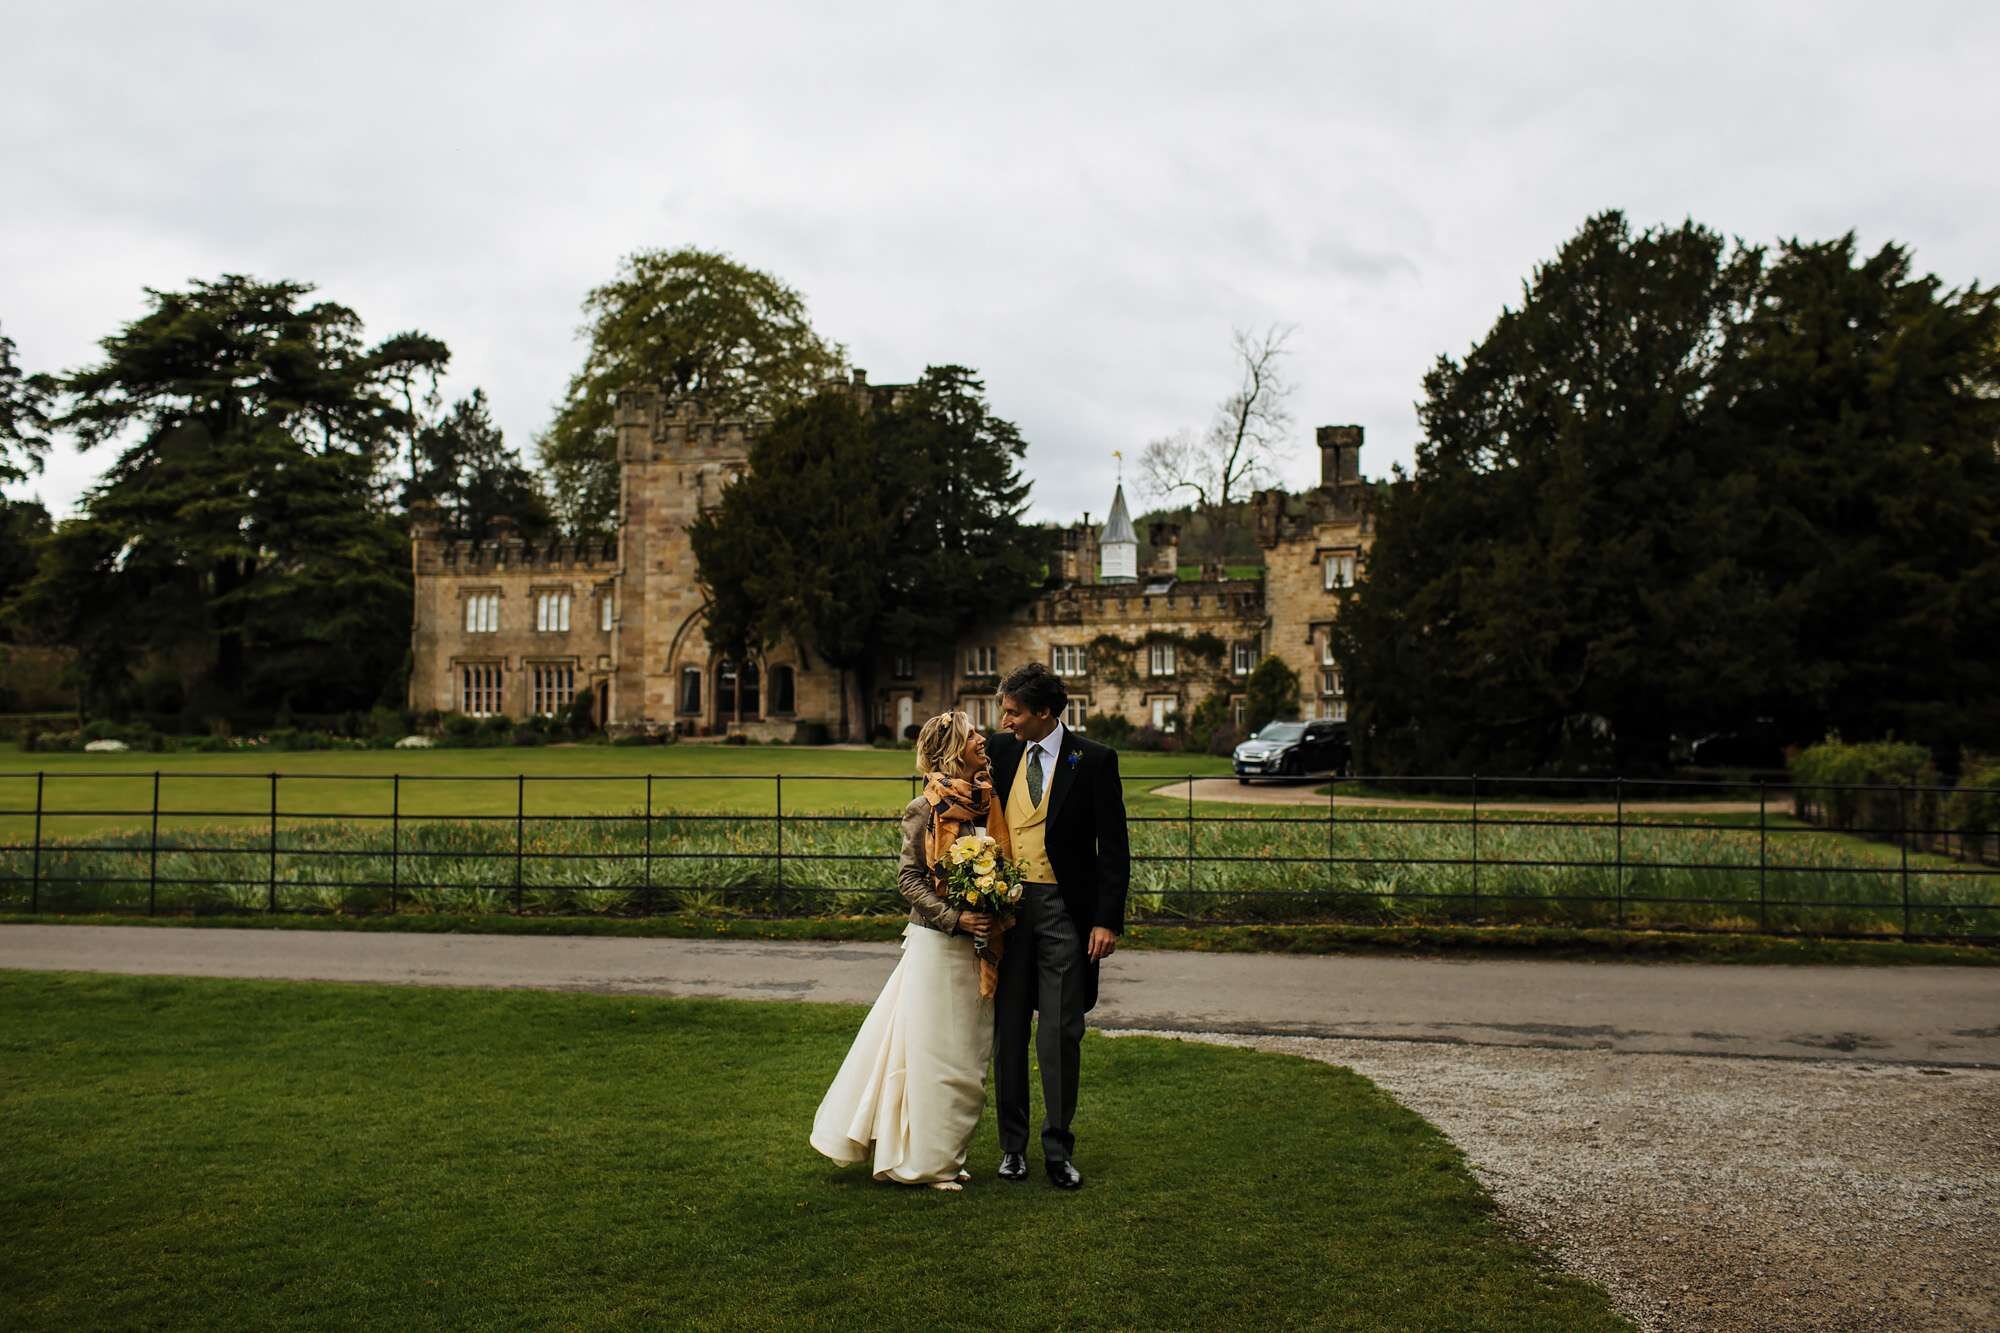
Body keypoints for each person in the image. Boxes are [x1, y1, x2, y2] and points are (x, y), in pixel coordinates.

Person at [808, 710, 1009, 1191]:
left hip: (980, 949)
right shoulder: (924, 808)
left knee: (969, 1059)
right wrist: (956, 916)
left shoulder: (989, 805)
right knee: (933, 1058)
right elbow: (909, 879)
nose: (984, 740)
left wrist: (1000, 902)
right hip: (937, 946)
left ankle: (947, 1154)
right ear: (953, 748)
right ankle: (921, 1164)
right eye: (974, 735)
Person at [986, 661, 1130, 1190]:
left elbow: (1113, 848)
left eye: (1014, 712)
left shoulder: (1092, 760)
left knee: (1060, 1033)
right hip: (1007, 911)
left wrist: (1106, 920)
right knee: (1008, 1032)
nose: (1006, 721)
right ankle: (1011, 1149)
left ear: (1045, 713)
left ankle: (1057, 1149)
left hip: (1065, 915)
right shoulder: (998, 753)